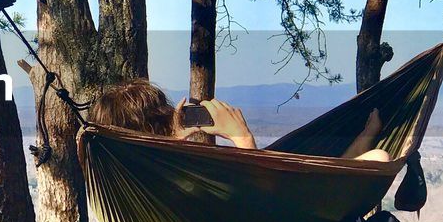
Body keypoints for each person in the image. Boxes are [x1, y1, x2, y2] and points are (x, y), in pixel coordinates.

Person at [88, 79, 391, 162]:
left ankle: (361, 142)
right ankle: (365, 142)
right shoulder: (172, 172)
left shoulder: (133, 172)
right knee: (378, 157)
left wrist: (177, 142)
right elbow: (252, 204)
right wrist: (241, 137)